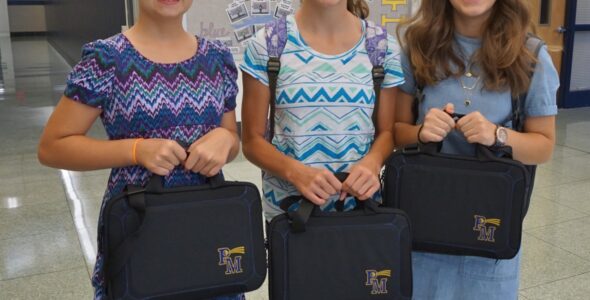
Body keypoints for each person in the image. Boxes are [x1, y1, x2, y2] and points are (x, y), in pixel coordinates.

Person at [37, 0, 241, 299]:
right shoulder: (106, 58)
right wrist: (135, 150)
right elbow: (53, 147)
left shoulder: (218, 59)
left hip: (206, 220)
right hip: (137, 221)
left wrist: (227, 139)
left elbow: (231, 141)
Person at [394, 0, 558, 298]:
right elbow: (395, 132)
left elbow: (543, 146)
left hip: (488, 233)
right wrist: (421, 131)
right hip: (423, 227)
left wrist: (498, 135)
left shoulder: (529, 55)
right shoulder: (418, 45)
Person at [240, 0, 404, 220]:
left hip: (360, 211)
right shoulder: (267, 44)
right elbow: (251, 141)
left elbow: (387, 132)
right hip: (291, 215)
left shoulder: (382, 47)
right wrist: (296, 172)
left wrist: (372, 162)